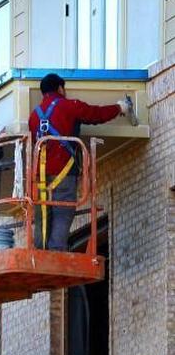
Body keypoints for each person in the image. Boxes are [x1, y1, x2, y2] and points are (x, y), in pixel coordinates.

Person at [28, 72, 129, 250]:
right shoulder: (69, 106)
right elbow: (95, 114)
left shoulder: (34, 116)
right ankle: (57, 253)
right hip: (64, 174)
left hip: (39, 177)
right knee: (63, 212)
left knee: (43, 214)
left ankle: (39, 254)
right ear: (60, 88)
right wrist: (119, 108)